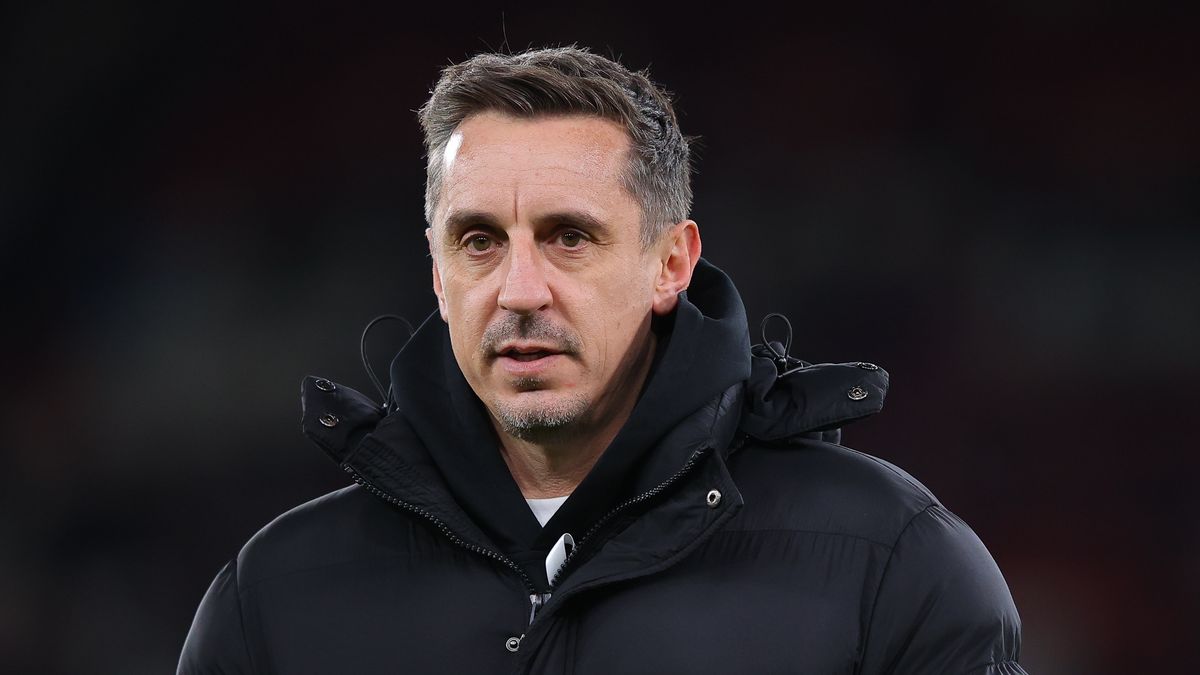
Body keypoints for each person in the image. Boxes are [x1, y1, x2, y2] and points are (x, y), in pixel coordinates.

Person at [179, 45, 1027, 674]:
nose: (519, 288)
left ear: (672, 264)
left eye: (569, 237)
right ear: (437, 273)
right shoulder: (276, 597)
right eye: (479, 241)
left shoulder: (890, 563)